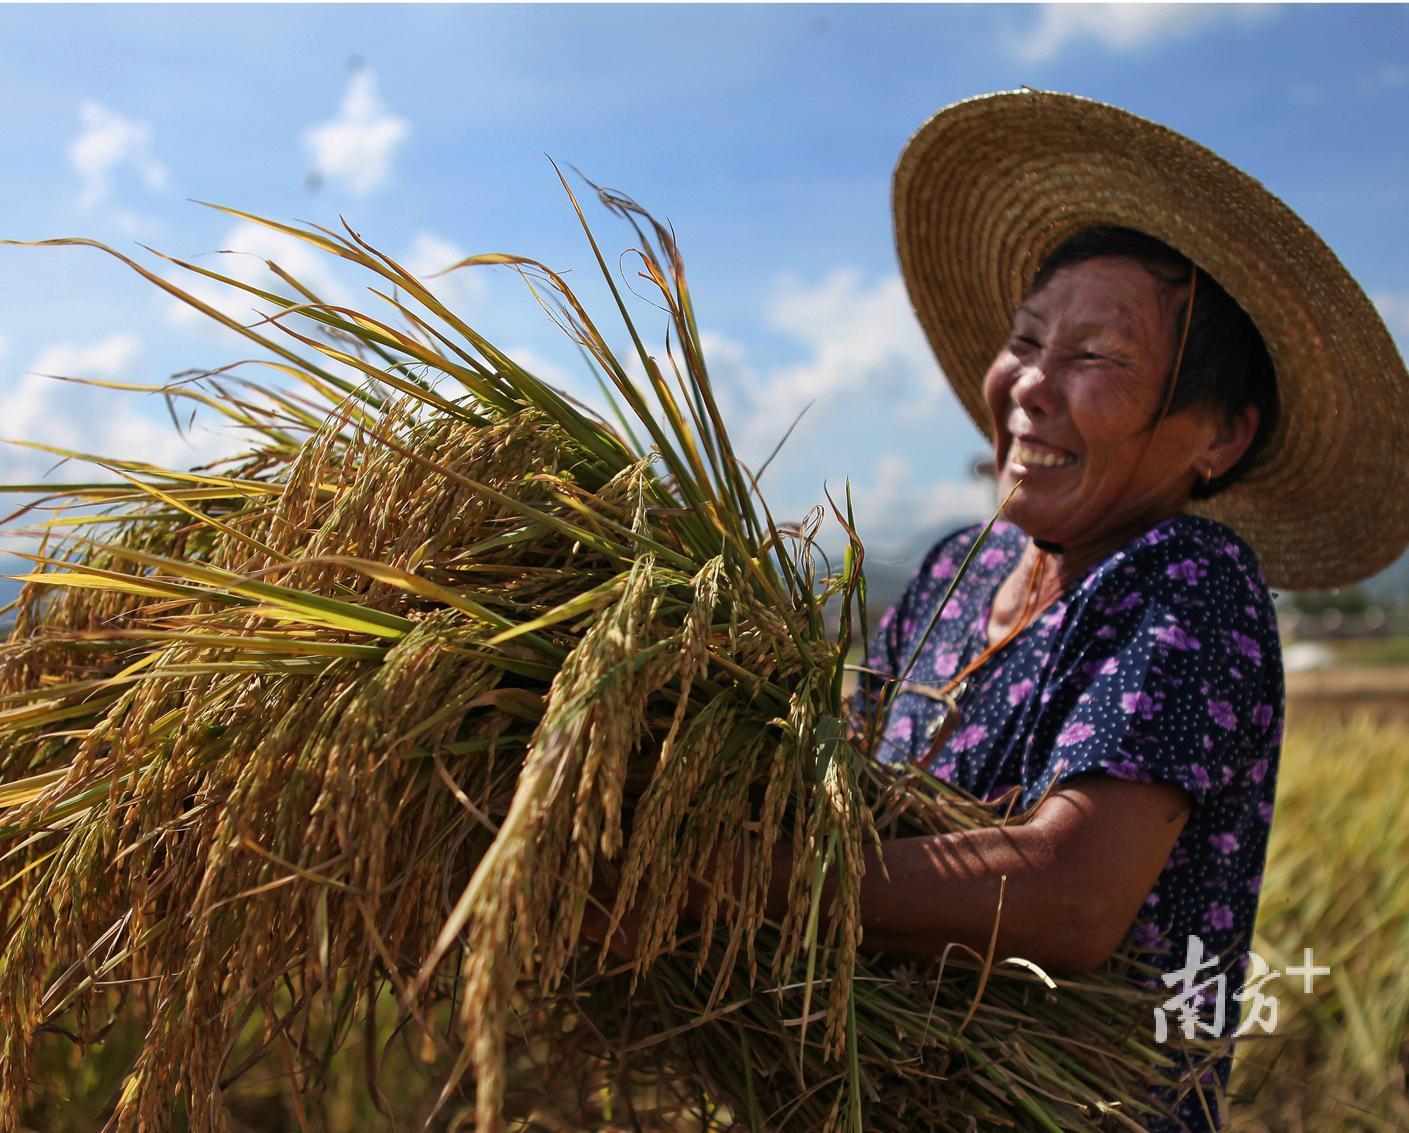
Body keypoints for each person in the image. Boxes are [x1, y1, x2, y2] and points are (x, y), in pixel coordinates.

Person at [843, 89, 1409, 1129]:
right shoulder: (946, 576)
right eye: (1024, 339)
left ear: (1217, 439)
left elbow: (1068, 893)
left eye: (1095, 356)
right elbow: (832, 784)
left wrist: (742, 889)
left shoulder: (1186, 582)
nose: (1028, 385)